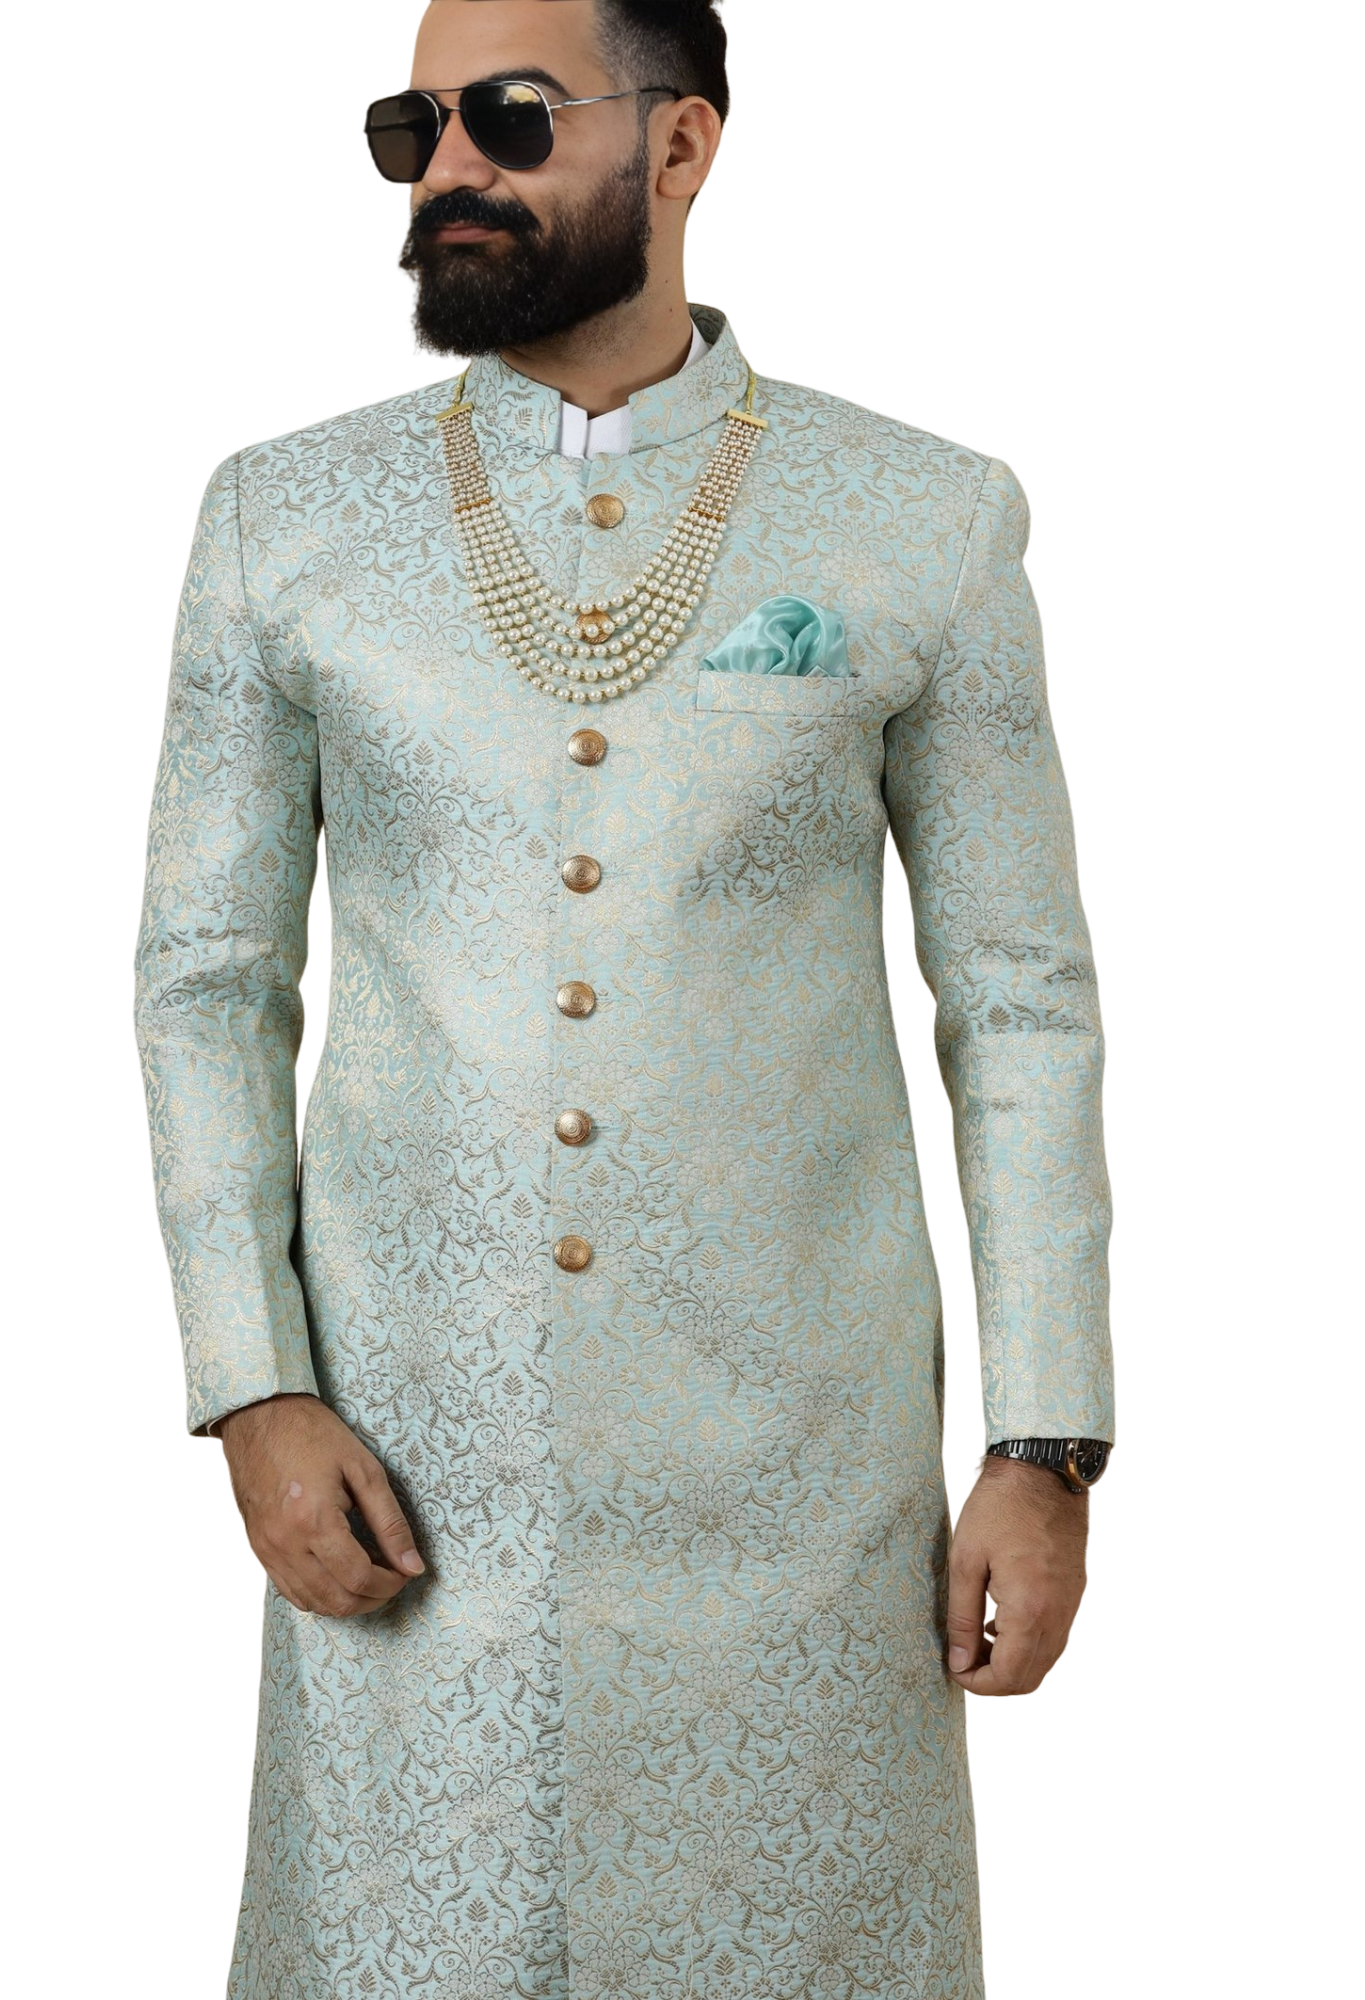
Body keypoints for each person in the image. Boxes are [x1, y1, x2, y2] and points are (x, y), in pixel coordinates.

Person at [129, 3, 1116, 1994]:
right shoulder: (280, 517)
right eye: (422, 121)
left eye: (511, 116)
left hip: (803, 1488)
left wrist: (1044, 1444)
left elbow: (1017, 1003)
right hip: (410, 1474)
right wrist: (250, 1383)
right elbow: (207, 980)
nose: (450, 168)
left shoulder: (928, 514)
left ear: (682, 146)